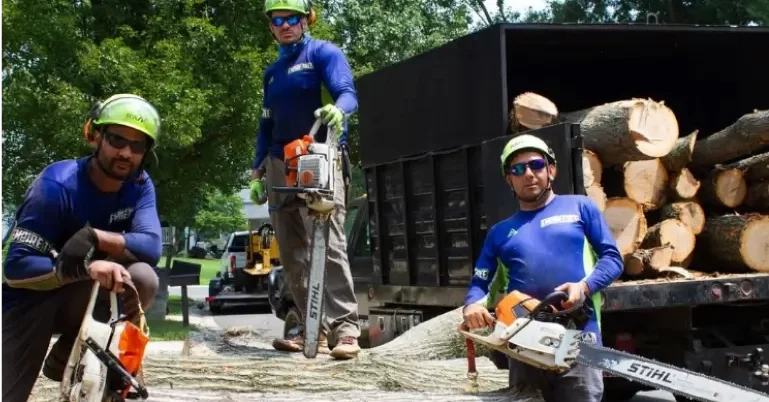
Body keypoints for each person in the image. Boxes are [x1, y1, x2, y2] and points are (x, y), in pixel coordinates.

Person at [0, 93, 164, 402]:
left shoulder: (140, 185)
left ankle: (74, 361)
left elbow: (152, 246)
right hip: (26, 302)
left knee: (141, 277)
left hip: (82, 294)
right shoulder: (56, 185)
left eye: (137, 145)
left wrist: (97, 238)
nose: (126, 153)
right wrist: (86, 268)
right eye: (117, 140)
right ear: (95, 136)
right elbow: (15, 268)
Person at [461, 134, 624, 402]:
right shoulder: (499, 233)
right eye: (518, 169)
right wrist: (472, 306)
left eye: (536, 165)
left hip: (578, 336)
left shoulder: (580, 207)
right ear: (509, 179)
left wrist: (583, 287)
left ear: (551, 169)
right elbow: (481, 282)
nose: (529, 174)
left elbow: (612, 259)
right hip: (522, 341)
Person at [249, 0, 361, 360]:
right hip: (280, 161)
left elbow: (348, 93)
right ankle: (309, 327)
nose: (285, 25)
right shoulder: (271, 72)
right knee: (293, 248)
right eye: (277, 19)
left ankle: (345, 329)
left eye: (292, 18)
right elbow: (266, 124)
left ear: (306, 19)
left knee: (328, 242)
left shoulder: (323, 53)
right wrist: (257, 170)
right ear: (269, 25)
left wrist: (338, 110)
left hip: (319, 154)